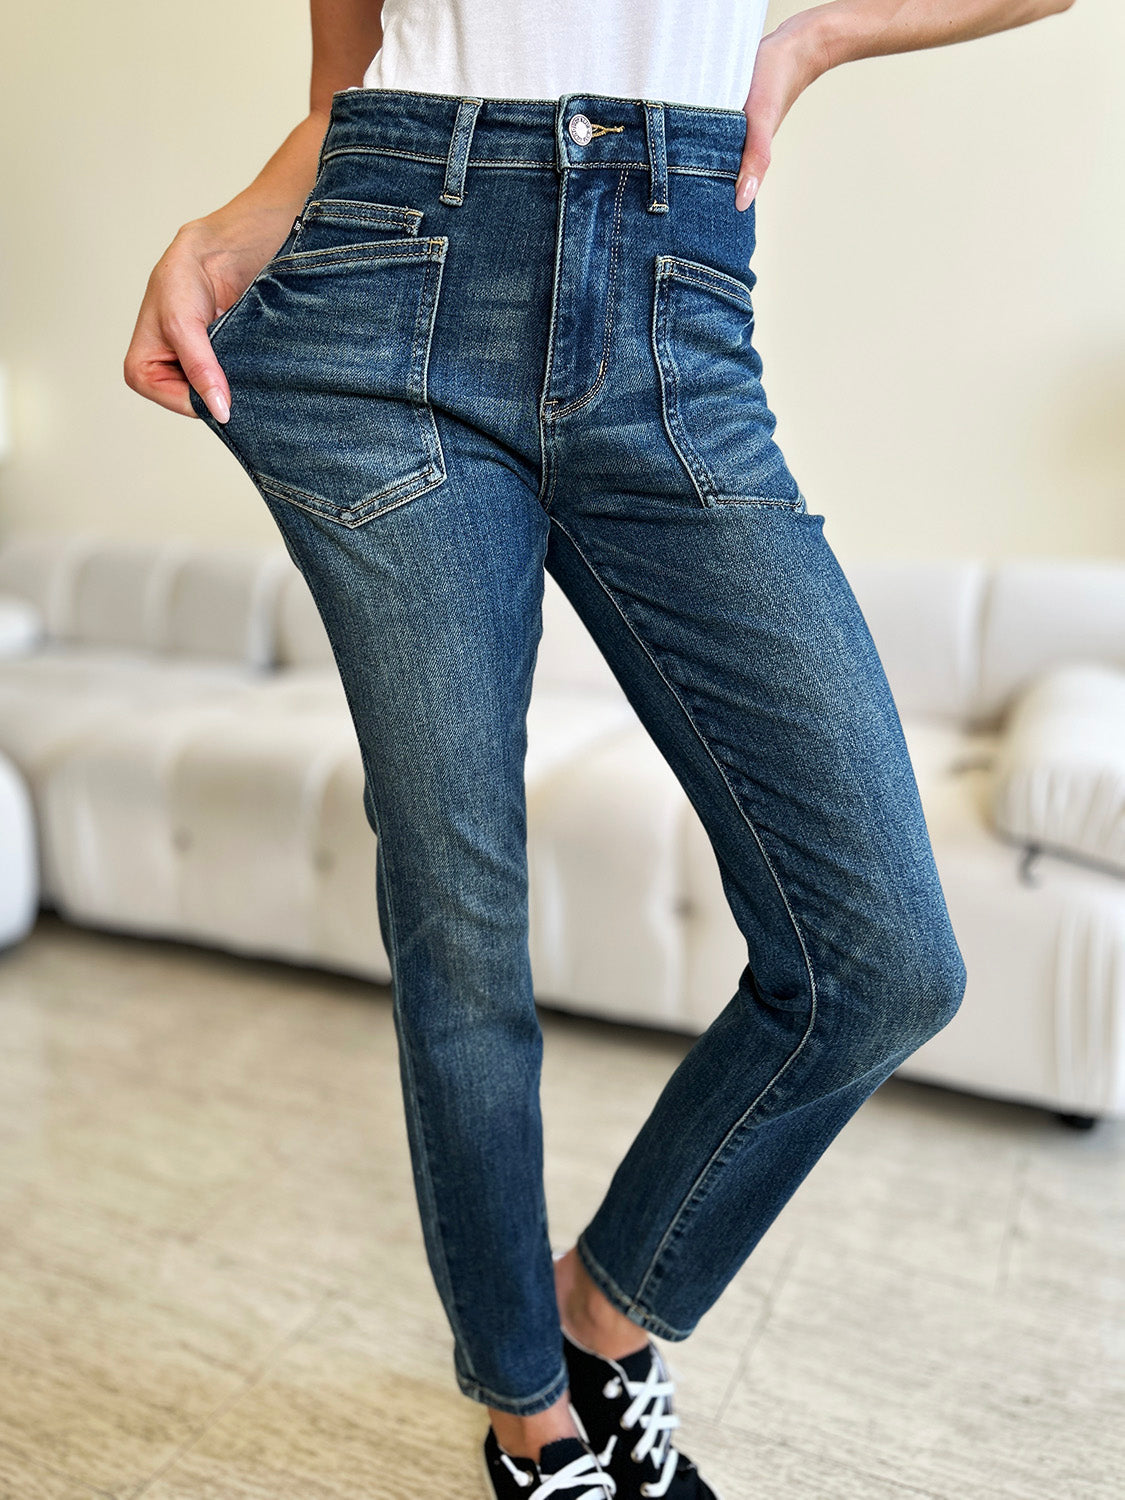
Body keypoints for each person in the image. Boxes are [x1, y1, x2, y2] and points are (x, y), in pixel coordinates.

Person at [124, 1, 1076, 1495]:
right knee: (461, 908)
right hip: (388, 273)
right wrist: (238, 221)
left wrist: (811, 37)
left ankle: (601, 1313)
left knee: (883, 957)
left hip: (667, 282)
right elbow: (348, 73)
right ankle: (529, 1415)